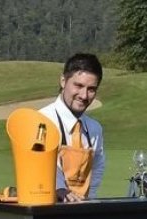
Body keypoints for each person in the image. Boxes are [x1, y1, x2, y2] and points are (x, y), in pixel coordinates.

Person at [38, 53, 105, 203]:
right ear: (63, 81)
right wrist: (59, 188)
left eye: (91, 89)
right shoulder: (42, 121)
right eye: (78, 86)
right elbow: (39, 164)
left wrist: (89, 200)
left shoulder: (95, 129)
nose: (84, 95)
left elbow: (97, 166)